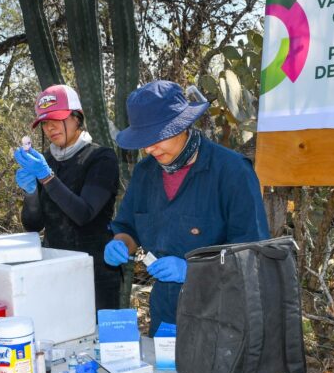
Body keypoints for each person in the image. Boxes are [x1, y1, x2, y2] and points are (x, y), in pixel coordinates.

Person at [104, 80, 270, 336]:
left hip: (220, 316)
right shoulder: (144, 173)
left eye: (156, 137)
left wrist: (193, 270)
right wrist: (121, 244)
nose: (149, 148)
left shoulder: (232, 171)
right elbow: (128, 228)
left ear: (182, 125)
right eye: (144, 140)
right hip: (166, 313)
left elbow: (252, 253)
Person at [14, 84, 121, 311]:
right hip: (54, 267)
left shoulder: (101, 158)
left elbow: (83, 214)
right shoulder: (45, 161)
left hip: (96, 272)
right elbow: (33, 224)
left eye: (57, 118)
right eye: (45, 122)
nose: (50, 127)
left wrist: (47, 178)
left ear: (76, 118)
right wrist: (31, 193)